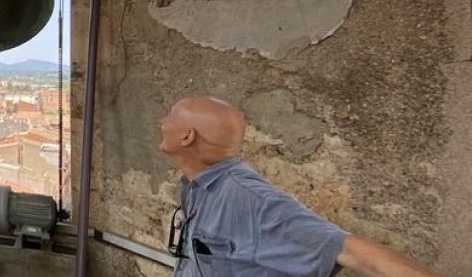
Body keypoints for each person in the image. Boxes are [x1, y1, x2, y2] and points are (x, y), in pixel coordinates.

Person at [159, 96, 441, 277]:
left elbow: (355, 253)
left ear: (187, 136)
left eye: (169, 116)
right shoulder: (196, 186)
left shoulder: (250, 198)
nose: (162, 123)